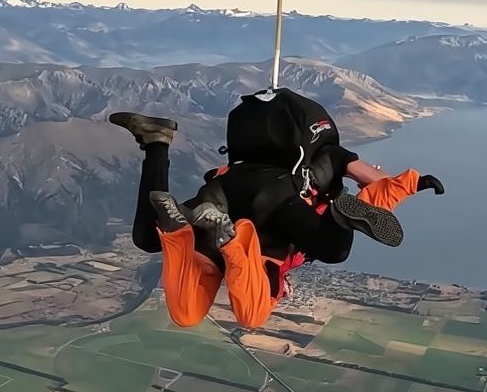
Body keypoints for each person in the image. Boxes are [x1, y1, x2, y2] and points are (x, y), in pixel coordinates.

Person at [109, 88, 444, 329]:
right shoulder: (329, 159)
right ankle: (208, 229)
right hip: (258, 204)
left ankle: (157, 142)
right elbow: (369, 178)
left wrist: (407, 185)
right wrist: (408, 184)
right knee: (238, 308)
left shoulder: (327, 159)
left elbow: (371, 180)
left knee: (193, 304)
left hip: (233, 189)